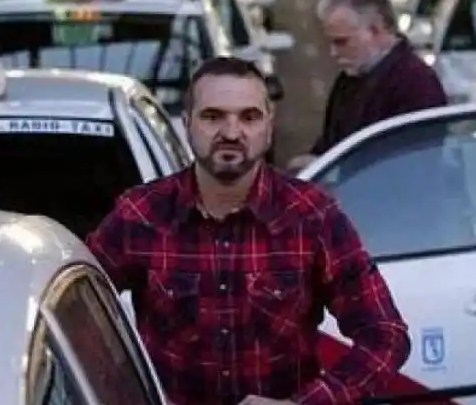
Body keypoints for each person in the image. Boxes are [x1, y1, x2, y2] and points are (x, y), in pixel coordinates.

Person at [87, 56, 410, 405]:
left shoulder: (311, 215)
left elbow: (386, 335)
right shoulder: (142, 214)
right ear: (187, 124)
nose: (231, 132)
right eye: (213, 116)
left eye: (249, 117)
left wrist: (307, 404)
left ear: (269, 127)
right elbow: (74, 315)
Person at [287, 0, 447, 172]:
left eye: (342, 42)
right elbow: (332, 142)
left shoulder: (416, 84)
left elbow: (411, 166)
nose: (333, 53)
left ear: (376, 30)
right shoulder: (351, 78)